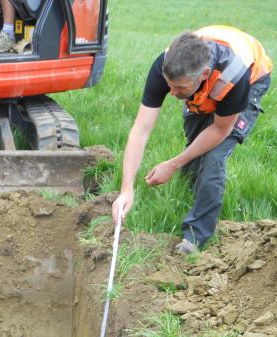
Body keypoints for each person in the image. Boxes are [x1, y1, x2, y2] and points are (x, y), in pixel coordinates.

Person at [112, 26, 272, 254]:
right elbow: (141, 128)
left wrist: (172, 163)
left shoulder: (235, 76)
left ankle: (194, 239)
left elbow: (219, 130)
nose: (172, 93)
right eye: (169, 84)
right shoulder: (166, 65)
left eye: (179, 87)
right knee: (195, 140)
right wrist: (126, 189)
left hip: (253, 75)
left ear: (203, 75)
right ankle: (190, 188)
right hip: (208, 78)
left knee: (213, 157)